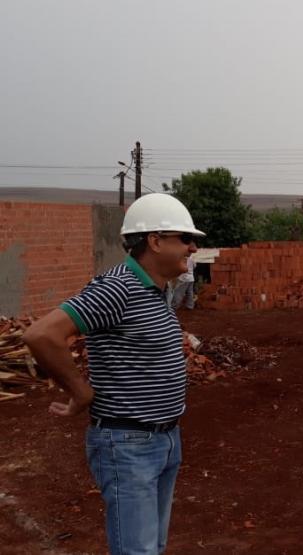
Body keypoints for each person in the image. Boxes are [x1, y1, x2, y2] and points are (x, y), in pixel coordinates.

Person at [23, 193, 205, 555]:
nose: (192, 247)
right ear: (154, 241)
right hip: (129, 443)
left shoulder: (154, 291)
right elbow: (41, 335)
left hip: (164, 440)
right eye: (185, 239)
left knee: (152, 545)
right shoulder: (117, 288)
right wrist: (81, 392)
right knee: (137, 550)